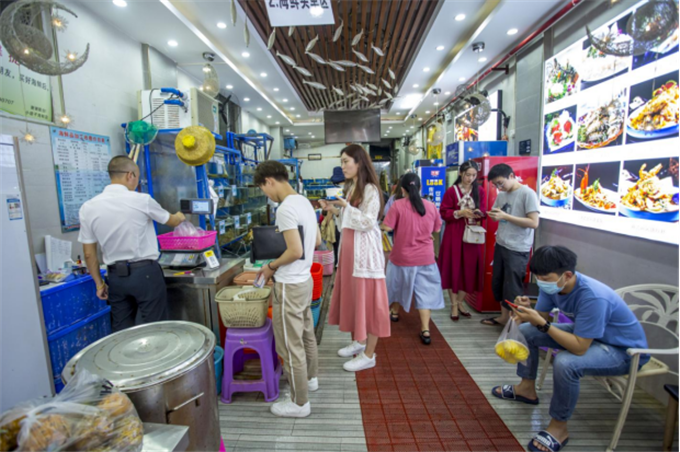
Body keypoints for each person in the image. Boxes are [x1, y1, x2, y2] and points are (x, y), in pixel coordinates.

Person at [492, 246, 648, 452]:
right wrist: (526, 310)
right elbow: (540, 319)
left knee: (566, 363)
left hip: (623, 352)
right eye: (538, 277)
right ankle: (526, 389)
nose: (541, 282)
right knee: (528, 331)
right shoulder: (554, 286)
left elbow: (579, 348)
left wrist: (542, 323)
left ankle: (559, 427)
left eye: (545, 278)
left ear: (566, 275)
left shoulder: (593, 296)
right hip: (591, 336)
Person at [78, 155, 186, 332]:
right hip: (145, 274)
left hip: (115, 277)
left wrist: (99, 284)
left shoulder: (88, 207)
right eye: (137, 177)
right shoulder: (142, 200)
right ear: (130, 175)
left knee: (122, 330)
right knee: (155, 326)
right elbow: (172, 221)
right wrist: (181, 216)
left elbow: (89, 254)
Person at [254, 161, 321, 418]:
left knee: (289, 346)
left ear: (269, 181)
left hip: (289, 284)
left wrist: (270, 266)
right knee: (306, 335)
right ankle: (310, 380)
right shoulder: (304, 202)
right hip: (304, 280)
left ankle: (299, 403)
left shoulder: (285, 209)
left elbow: (295, 250)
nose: (266, 194)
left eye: (263, 189)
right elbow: (316, 241)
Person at [320, 145, 390, 372]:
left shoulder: (370, 189)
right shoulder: (352, 187)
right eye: (341, 162)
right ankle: (360, 341)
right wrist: (334, 209)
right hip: (350, 254)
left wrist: (345, 207)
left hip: (365, 256)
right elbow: (349, 218)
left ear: (359, 162)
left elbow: (368, 221)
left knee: (370, 303)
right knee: (356, 298)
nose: (342, 166)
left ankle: (369, 354)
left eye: (345, 161)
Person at [381, 173, 444, 345]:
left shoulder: (397, 205)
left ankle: (394, 313)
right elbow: (437, 230)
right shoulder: (430, 206)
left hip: (401, 257)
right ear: (420, 187)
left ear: (402, 189)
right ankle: (425, 329)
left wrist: (382, 225)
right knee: (425, 292)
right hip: (426, 258)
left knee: (397, 285)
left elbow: (387, 227)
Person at [482, 163, 539, 326]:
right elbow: (497, 214)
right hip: (502, 243)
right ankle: (504, 317)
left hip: (518, 247)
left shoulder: (528, 194)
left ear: (512, 176)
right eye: (496, 185)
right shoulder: (502, 195)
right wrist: (493, 215)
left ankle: (515, 324)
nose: (499, 187)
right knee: (499, 282)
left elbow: (533, 222)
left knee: (513, 286)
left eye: (501, 183)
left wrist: (505, 216)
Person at [438, 161, 487, 321]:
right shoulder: (451, 191)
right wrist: (459, 213)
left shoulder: (479, 191)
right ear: (461, 173)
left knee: (469, 269)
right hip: (454, 232)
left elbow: (484, 211)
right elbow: (444, 212)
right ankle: (453, 304)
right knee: (453, 267)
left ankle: (460, 302)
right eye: (467, 175)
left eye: (474, 175)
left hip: (472, 234)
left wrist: (478, 213)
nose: (470, 178)